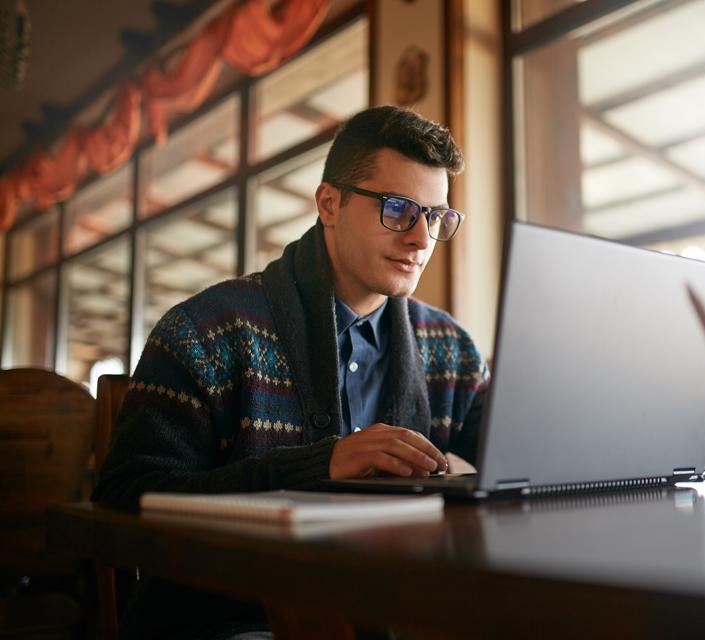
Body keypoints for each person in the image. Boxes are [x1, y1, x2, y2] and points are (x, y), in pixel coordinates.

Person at [92, 106, 488, 639]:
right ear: (329, 204)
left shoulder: (454, 351)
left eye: (436, 217)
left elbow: (507, 477)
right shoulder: (206, 331)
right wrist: (318, 465)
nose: (421, 240)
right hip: (233, 621)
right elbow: (121, 502)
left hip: (395, 615)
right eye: (398, 209)